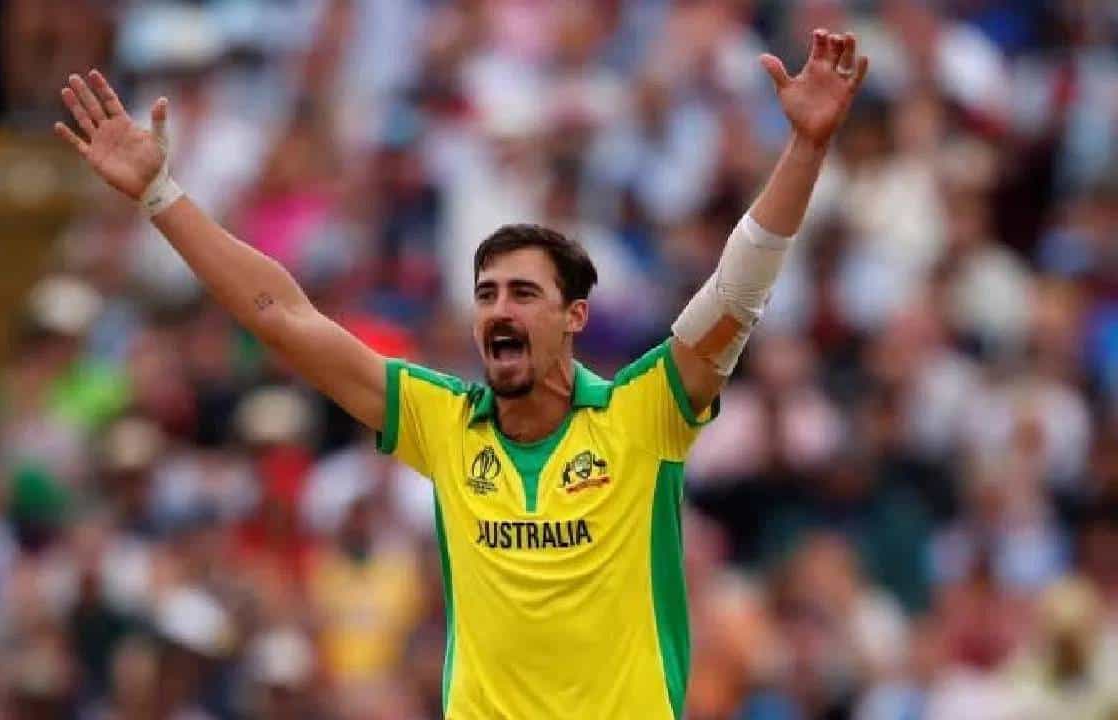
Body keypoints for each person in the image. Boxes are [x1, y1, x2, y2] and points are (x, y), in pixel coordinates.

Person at [54, 28, 868, 720]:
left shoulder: (642, 414)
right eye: (486, 295)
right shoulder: (443, 423)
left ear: (574, 317)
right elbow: (284, 318)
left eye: (524, 294)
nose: (498, 311)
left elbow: (736, 292)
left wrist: (806, 147)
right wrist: (161, 195)